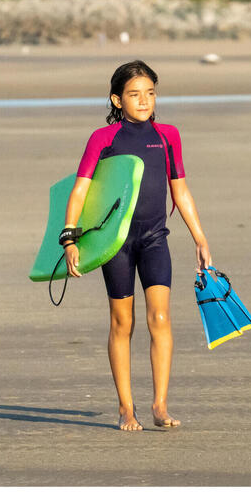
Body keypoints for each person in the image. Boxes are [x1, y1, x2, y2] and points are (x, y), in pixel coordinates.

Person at [62, 60, 212, 431]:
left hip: (154, 236)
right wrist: (69, 237)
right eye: (134, 94)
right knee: (121, 322)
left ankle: (160, 405)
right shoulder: (103, 138)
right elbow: (81, 188)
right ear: (117, 99)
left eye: (150, 93)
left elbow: (179, 188)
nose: (144, 100)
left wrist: (200, 237)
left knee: (160, 317)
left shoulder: (167, 135)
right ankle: (126, 408)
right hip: (116, 242)